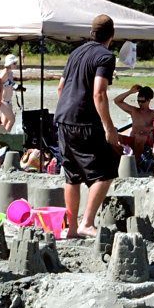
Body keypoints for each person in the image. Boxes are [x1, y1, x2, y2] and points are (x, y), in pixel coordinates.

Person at [53, 14, 122, 237]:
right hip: (84, 119)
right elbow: (99, 93)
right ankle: (87, 222)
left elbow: (60, 88)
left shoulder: (76, 52)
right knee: (107, 168)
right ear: (111, 36)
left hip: (63, 117)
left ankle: (71, 228)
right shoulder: (105, 56)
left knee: (71, 174)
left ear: (92, 32)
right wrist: (110, 129)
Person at [113, 83, 154, 158]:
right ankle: (123, 159)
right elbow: (117, 101)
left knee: (140, 137)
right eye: (138, 101)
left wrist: (148, 129)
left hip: (146, 141)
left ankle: (135, 163)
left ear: (149, 100)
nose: (140, 104)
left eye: (143, 101)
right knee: (112, 135)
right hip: (132, 139)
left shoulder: (153, 113)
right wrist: (130, 91)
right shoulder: (134, 111)